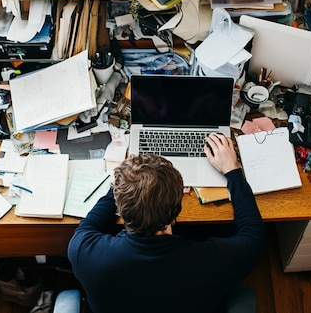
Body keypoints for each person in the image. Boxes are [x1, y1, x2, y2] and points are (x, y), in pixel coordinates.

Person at [67, 133, 267, 313]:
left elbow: (91, 223)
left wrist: (129, 180)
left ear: (121, 211)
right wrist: (233, 172)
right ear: (175, 213)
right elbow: (254, 237)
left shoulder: (83, 251)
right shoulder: (211, 261)